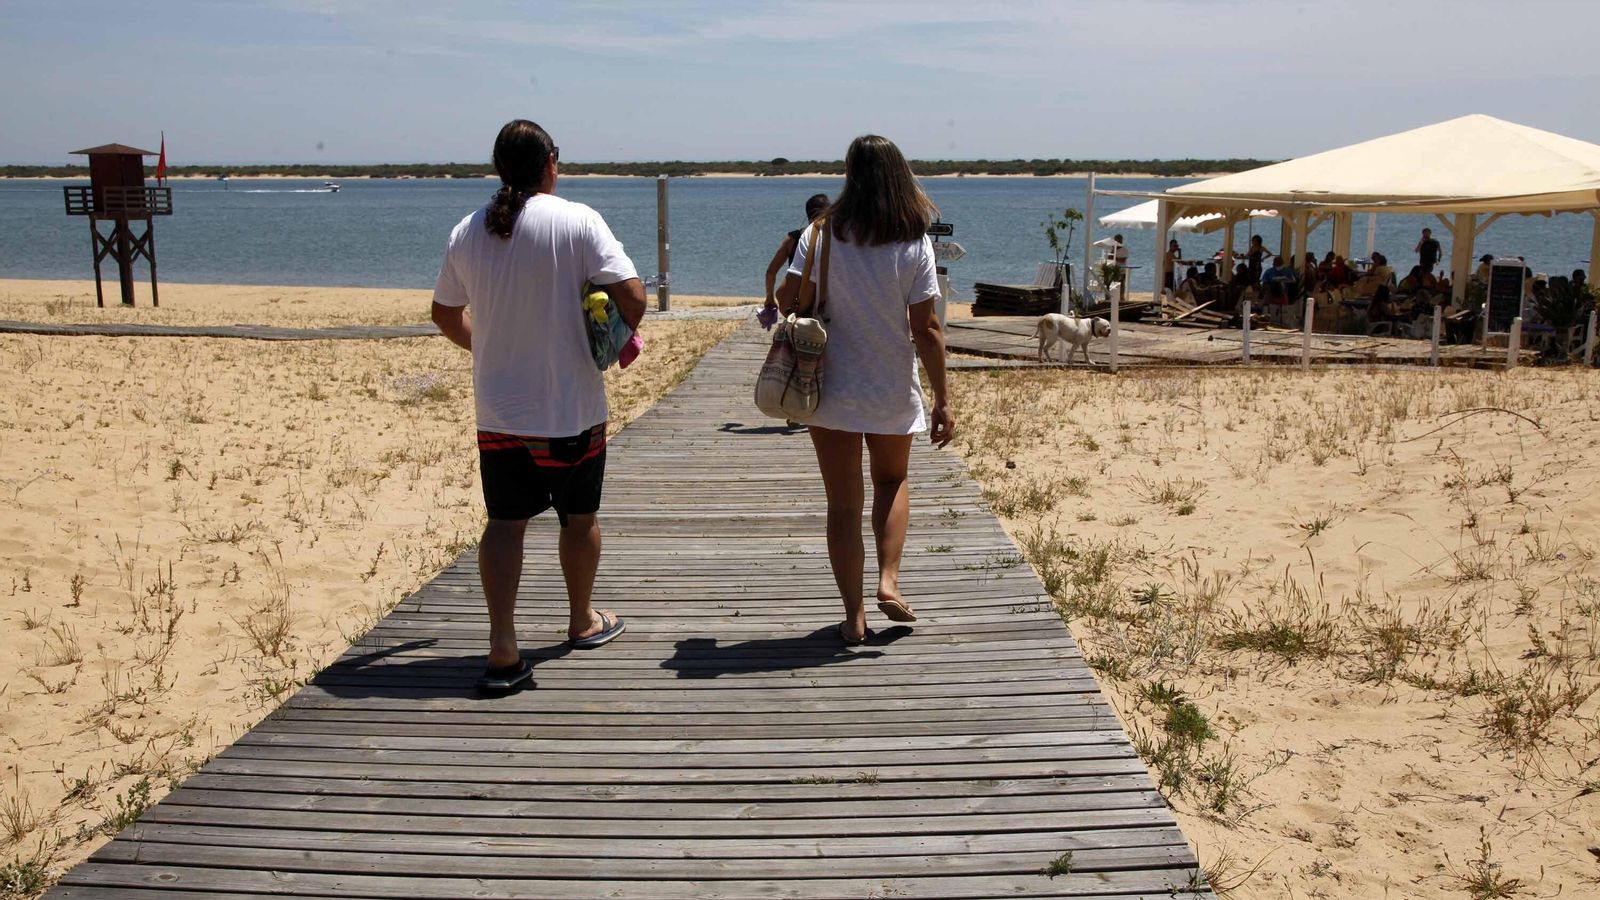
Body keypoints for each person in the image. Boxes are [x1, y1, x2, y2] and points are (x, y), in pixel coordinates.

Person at [431, 119, 647, 693]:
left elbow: (444, 314)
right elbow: (634, 297)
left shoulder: (468, 230)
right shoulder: (579, 219)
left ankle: (503, 645)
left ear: (500, 167)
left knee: (504, 523)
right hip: (570, 405)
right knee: (579, 519)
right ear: (550, 162)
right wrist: (605, 336)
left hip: (500, 411)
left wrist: (490, 344)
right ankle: (580, 619)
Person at [774, 134, 954, 646]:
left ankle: (853, 617)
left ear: (849, 175)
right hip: (891, 384)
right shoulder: (912, 239)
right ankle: (888, 580)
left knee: (842, 504)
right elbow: (927, 328)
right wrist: (942, 396)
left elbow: (791, 298)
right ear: (900, 175)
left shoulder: (821, 233)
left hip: (827, 384)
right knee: (892, 481)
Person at [764, 193, 830, 314]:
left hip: (798, 305)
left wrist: (769, 297)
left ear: (808, 214)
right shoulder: (837, 240)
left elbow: (771, 271)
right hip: (828, 305)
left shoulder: (793, 239)